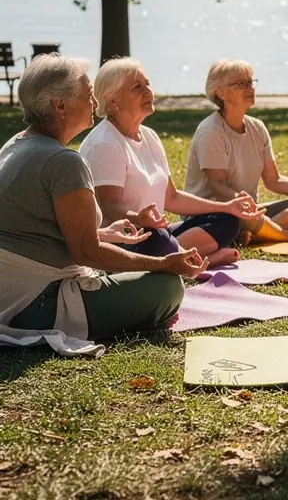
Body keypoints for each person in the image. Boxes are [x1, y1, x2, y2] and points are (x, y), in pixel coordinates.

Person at [0, 55, 206, 355]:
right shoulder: (63, 161)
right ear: (61, 106)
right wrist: (165, 264)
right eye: (87, 94)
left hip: (9, 295)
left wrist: (106, 233)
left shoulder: (15, 144)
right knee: (169, 287)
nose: (94, 101)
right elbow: (87, 252)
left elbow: (36, 229)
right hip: (33, 305)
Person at [81, 59, 262, 267]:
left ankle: (178, 254)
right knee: (157, 240)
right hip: (125, 241)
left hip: (158, 232)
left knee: (227, 219)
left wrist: (227, 206)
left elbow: (172, 197)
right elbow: (108, 207)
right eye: (137, 87)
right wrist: (138, 218)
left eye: (147, 84)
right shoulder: (105, 143)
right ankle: (197, 258)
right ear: (112, 101)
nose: (148, 91)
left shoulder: (149, 136)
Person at [185, 59, 288, 243]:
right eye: (241, 84)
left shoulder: (257, 127)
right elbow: (218, 187)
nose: (250, 88)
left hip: (249, 213)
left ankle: (255, 235)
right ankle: (284, 234)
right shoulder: (211, 131)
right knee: (238, 219)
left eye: (250, 82)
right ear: (220, 93)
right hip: (215, 215)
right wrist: (245, 207)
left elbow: (274, 180)